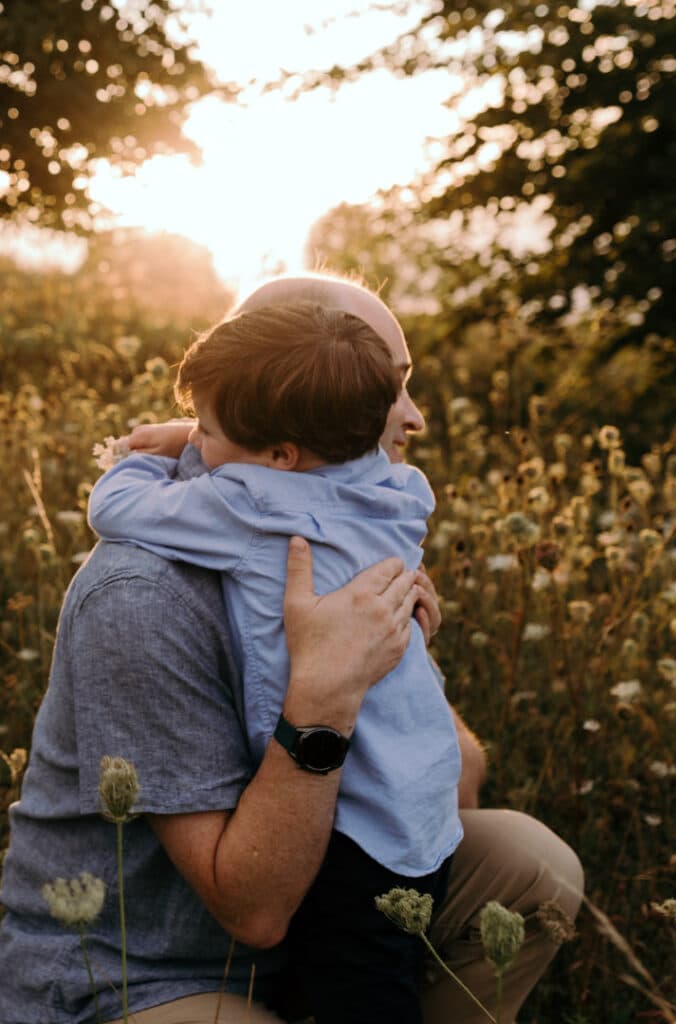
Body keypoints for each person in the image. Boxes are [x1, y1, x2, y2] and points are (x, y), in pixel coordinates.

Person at [0, 272, 584, 1024]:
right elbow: (252, 912)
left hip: (317, 918)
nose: (412, 417)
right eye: (386, 389)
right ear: (288, 421)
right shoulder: (144, 592)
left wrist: (403, 659)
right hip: (143, 973)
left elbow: (456, 785)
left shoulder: (357, 519)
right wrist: (325, 697)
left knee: (530, 865)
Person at [87, 299, 461, 1024]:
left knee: (360, 995)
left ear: (279, 454)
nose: (199, 440)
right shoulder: (399, 495)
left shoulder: (249, 506)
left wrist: (158, 453)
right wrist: (217, 438)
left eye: (208, 429)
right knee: (386, 970)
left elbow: (118, 508)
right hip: (418, 808)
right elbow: (301, 463)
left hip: (350, 830)